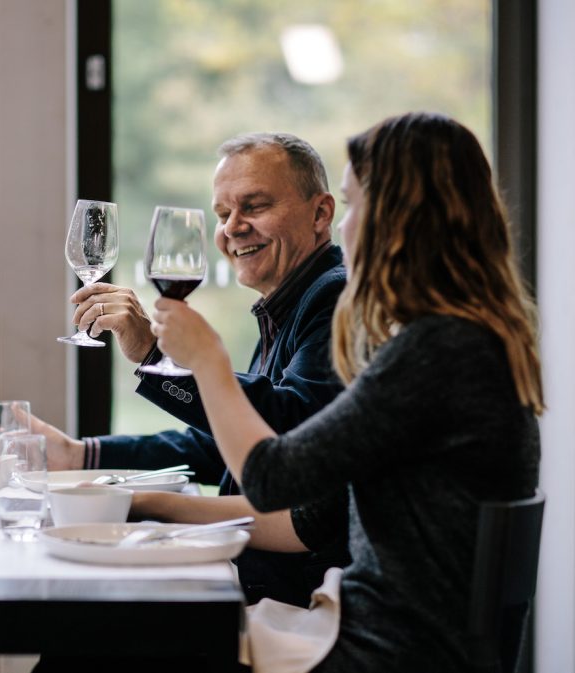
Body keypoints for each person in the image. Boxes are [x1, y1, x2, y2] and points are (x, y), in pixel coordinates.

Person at [150, 111, 543, 671]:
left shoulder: (435, 352)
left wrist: (208, 359)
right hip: (392, 634)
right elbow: (313, 508)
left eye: (354, 203)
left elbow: (270, 478)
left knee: (118, 642)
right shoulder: (471, 341)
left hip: (384, 651)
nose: (346, 225)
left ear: (401, 218)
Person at [33, 132, 350, 608]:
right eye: (223, 215)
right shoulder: (289, 302)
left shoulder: (334, 298)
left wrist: (160, 359)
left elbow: (291, 437)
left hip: (290, 597)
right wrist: (83, 455)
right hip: (251, 575)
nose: (233, 228)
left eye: (255, 206)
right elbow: (223, 439)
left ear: (322, 213)